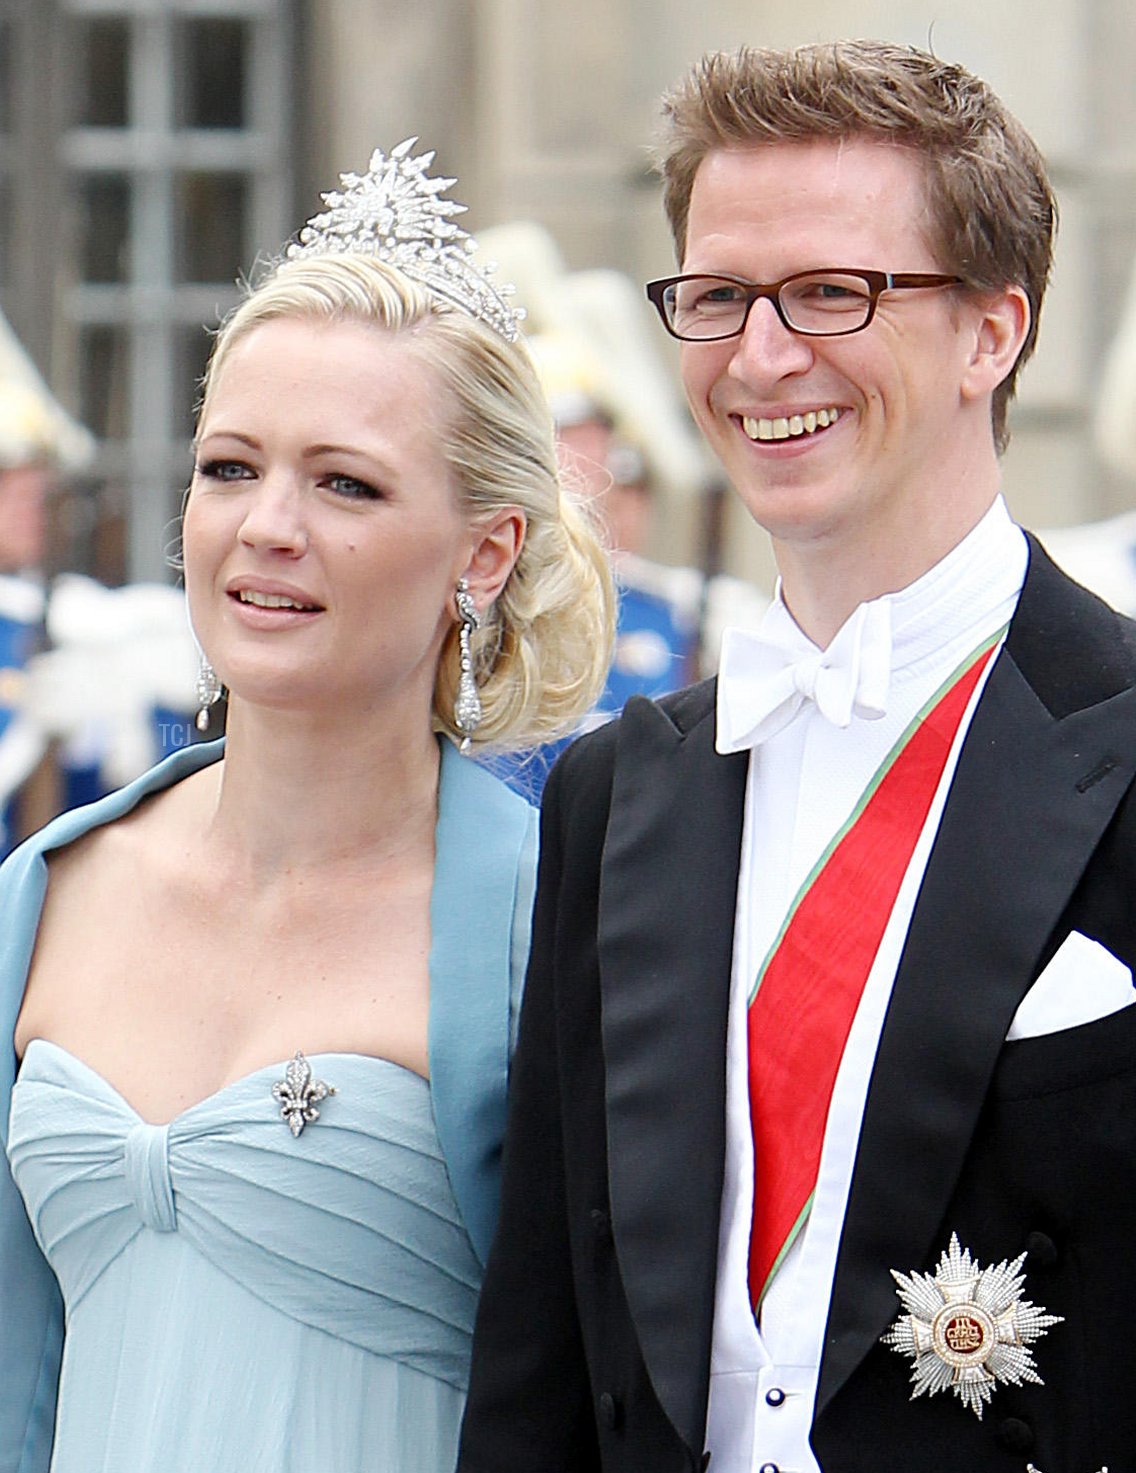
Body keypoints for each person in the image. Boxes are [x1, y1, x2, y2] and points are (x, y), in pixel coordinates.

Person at [457, 41, 1136, 1473]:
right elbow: (542, 1359)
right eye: (717, 297)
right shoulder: (611, 795)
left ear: (992, 333)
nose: (761, 357)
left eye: (834, 292)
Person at [0, 137, 613, 1473]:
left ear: (484, 552)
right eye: (231, 467)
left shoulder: (554, 919)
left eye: (345, 482)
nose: (268, 527)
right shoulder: (52, 890)